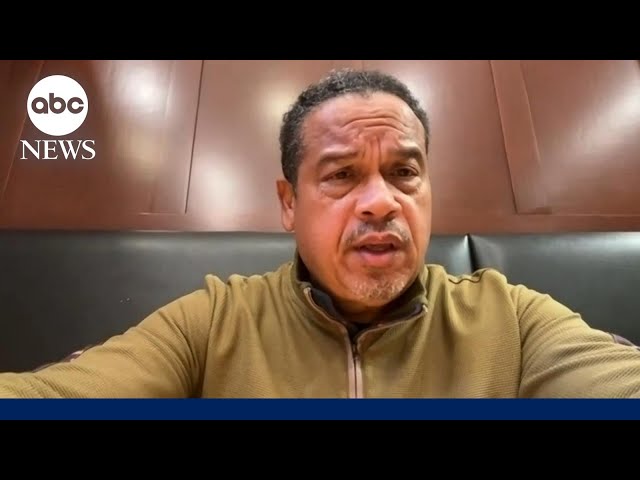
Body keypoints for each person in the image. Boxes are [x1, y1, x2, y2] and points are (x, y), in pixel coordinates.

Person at [1, 68, 640, 399]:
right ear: (289, 203)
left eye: (404, 172)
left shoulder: (513, 319)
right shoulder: (214, 323)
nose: (381, 202)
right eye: (341, 175)